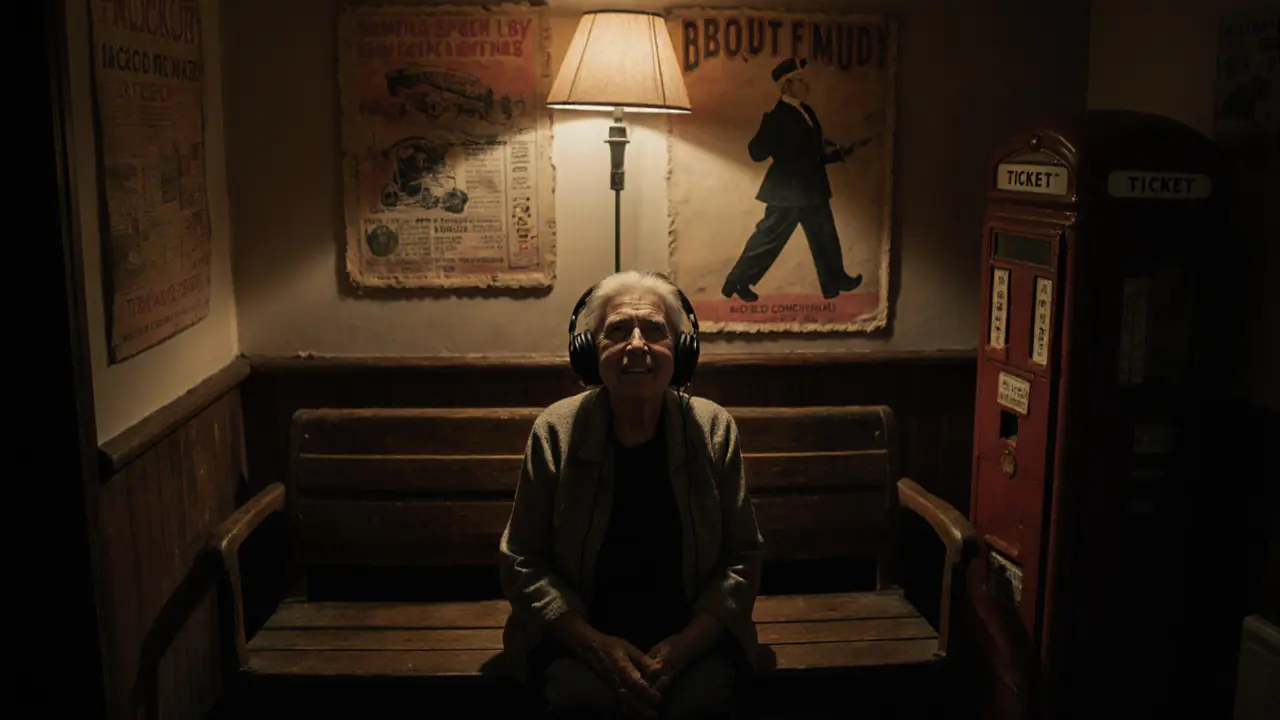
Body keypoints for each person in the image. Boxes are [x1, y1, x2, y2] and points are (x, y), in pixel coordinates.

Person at [500, 270, 766, 719]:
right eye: (617, 331)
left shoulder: (714, 428)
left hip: (693, 639)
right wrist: (593, 645)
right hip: (578, 640)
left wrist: (684, 648)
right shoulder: (555, 431)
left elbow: (742, 557)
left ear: (681, 352)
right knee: (579, 702)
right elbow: (522, 560)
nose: (637, 345)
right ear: (589, 353)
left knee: (703, 704)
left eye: (655, 331)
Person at [721, 57, 871, 302]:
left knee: (825, 236)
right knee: (768, 240)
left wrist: (836, 154)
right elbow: (755, 151)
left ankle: (835, 281)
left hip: (812, 189)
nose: (807, 86)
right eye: (802, 81)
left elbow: (810, 154)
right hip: (787, 194)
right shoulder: (777, 116)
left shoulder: (806, 110)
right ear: (787, 85)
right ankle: (736, 282)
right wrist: (772, 134)